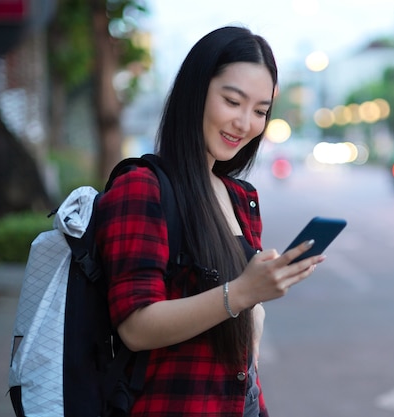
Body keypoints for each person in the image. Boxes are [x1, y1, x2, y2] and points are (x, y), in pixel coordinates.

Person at [95, 26, 326, 417]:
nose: (245, 123)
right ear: (196, 90)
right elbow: (135, 327)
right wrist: (241, 293)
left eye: (260, 111)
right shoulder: (142, 187)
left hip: (242, 402)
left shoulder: (240, 198)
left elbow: (240, 307)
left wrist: (256, 304)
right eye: (232, 101)